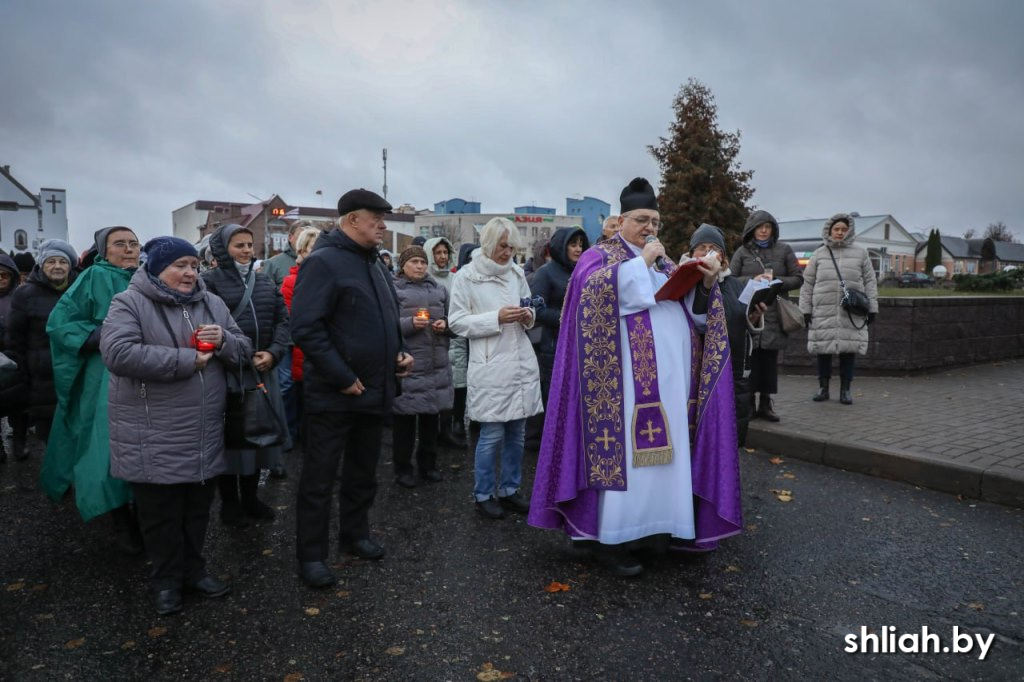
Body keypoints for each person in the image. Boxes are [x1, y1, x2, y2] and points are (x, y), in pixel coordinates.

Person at [528, 178, 743, 577]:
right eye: (642, 219)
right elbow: (591, 300)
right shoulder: (599, 258)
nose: (650, 228)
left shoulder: (664, 265)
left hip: (670, 391)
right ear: (622, 219)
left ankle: (657, 532)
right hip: (618, 392)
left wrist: (706, 282)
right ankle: (612, 541)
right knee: (625, 459)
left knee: (667, 460)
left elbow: (695, 319)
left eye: (656, 221)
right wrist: (640, 264)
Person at [101, 236, 251, 615]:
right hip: (151, 431)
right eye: (179, 266)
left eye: (193, 266)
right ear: (155, 267)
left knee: (197, 509)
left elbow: (244, 347)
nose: (188, 273)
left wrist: (224, 342)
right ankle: (166, 580)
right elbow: (118, 353)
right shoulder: (129, 303)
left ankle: (194, 571)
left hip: (203, 430)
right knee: (160, 514)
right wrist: (187, 360)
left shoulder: (211, 303)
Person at [291, 188, 412, 588]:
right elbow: (306, 327)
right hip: (334, 394)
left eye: (384, 218)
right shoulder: (324, 262)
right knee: (320, 478)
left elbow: (386, 317)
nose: (382, 225)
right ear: (351, 220)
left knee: (363, 472)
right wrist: (342, 377)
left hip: (375, 390)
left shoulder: (374, 263)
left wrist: (400, 352)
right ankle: (311, 555)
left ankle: (355, 534)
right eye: (375, 218)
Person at [42, 227, 145, 552]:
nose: (128, 249)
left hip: (145, 371)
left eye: (133, 243)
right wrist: (102, 335)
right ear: (104, 249)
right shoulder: (91, 278)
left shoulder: (148, 276)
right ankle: (119, 518)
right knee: (105, 446)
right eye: (120, 244)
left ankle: (146, 515)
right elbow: (60, 323)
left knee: (145, 443)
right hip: (105, 376)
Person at [448, 217, 543, 520]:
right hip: (490, 365)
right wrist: (496, 318)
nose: (508, 252)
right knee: (490, 435)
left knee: (516, 433)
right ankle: (484, 492)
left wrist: (527, 315)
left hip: (519, 359)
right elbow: (457, 322)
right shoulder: (467, 276)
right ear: (489, 243)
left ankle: (510, 489)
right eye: (503, 246)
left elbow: (530, 309)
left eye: (512, 247)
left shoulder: (516, 272)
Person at [202, 223, 291, 526]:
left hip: (261, 370)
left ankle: (251, 498)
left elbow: (282, 321)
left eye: (249, 245)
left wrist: (273, 353)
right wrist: (237, 355)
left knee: (257, 437)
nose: (246, 251)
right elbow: (207, 327)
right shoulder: (208, 282)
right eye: (238, 245)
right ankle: (229, 504)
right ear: (222, 250)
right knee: (231, 439)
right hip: (227, 373)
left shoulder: (264, 282)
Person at [683, 224, 766, 448]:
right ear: (691, 253)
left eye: (714, 248)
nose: (709, 253)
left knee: (733, 437)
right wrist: (707, 284)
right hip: (702, 374)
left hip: (737, 368)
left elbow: (741, 321)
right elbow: (700, 323)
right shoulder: (684, 280)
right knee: (704, 442)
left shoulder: (734, 284)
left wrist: (755, 317)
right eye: (702, 247)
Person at [6, 239, 78, 458]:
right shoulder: (25, 294)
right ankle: (58, 482)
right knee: (50, 431)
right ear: (41, 266)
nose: (57, 266)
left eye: (62, 262)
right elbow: (15, 337)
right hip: (42, 375)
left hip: (76, 370)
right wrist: (23, 372)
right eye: (51, 262)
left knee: (77, 427)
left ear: (70, 266)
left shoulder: (79, 290)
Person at [729, 211, 803, 421]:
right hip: (751, 312)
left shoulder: (784, 250)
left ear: (773, 229)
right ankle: (749, 403)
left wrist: (777, 281)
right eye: (759, 227)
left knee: (769, 361)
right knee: (749, 359)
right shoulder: (742, 252)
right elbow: (732, 279)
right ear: (751, 229)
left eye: (767, 227)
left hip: (774, 314)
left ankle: (766, 403)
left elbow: (798, 278)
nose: (763, 230)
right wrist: (753, 278)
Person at [799, 213, 879, 405]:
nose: (840, 232)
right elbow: (807, 283)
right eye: (837, 229)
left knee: (848, 351)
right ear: (830, 230)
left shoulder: (861, 253)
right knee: (823, 351)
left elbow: (870, 281)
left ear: (849, 231)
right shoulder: (819, 253)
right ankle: (823, 388)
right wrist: (806, 309)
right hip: (823, 309)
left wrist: (873, 308)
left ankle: (845, 389)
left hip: (850, 311)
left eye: (844, 229)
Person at [391, 245, 454, 488]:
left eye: (422, 262)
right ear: (403, 265)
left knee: (431, 419)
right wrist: (409, 323)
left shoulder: (438, 289)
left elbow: (453, 321)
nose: (419, 266)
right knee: (404, 422)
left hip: (436, 363)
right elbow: (386, 325)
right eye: (414, 261)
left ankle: (428, 465)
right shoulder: (394, 290)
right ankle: (402, 468)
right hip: (408, 363)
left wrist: (444, 325)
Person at [526, 226, 589, 450]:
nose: (578, 249)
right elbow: (537, 310)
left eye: (581, 244)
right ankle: (541, 440)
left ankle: (567, 438)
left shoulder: (584, 270)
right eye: (573, 244)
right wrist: (569, 318)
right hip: (553, 344)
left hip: (581, 344)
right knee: (551, 392)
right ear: (561, 246)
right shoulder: (546, 273)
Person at [279, 225, 322, 450]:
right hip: (294, 343)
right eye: (311, 249)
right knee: (288, 387)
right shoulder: (290, 282)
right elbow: (287, 316)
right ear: (302, 251)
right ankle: (288, 433)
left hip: (317, 344)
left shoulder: (327, 278)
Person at [422, 237, 463, 448]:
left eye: (445, 252)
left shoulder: (455, 278)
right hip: (431, 340)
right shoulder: (425, 278)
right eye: (438, 253)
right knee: (433, 388)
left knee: (452, 388)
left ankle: (447, 430)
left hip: (453, 338)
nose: (442, 257)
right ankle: (432, 433)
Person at [447, 243, 478, 443]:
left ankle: (476, 418)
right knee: (460, 381)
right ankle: (457, 420)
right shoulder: (458, 278)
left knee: (476, 379)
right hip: (459, 336)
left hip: (477, 334)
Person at [0, 253, 23, 462]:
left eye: (3, 275)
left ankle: (19, 441)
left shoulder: (19, 297)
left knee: (19, 405)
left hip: (18, 358)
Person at [262, 220, 313, 288]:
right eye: (300, 236)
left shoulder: (318, 263)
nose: (303, 241)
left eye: (307, 237)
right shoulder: (272, 264)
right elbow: (264, 294)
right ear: (290, 237)